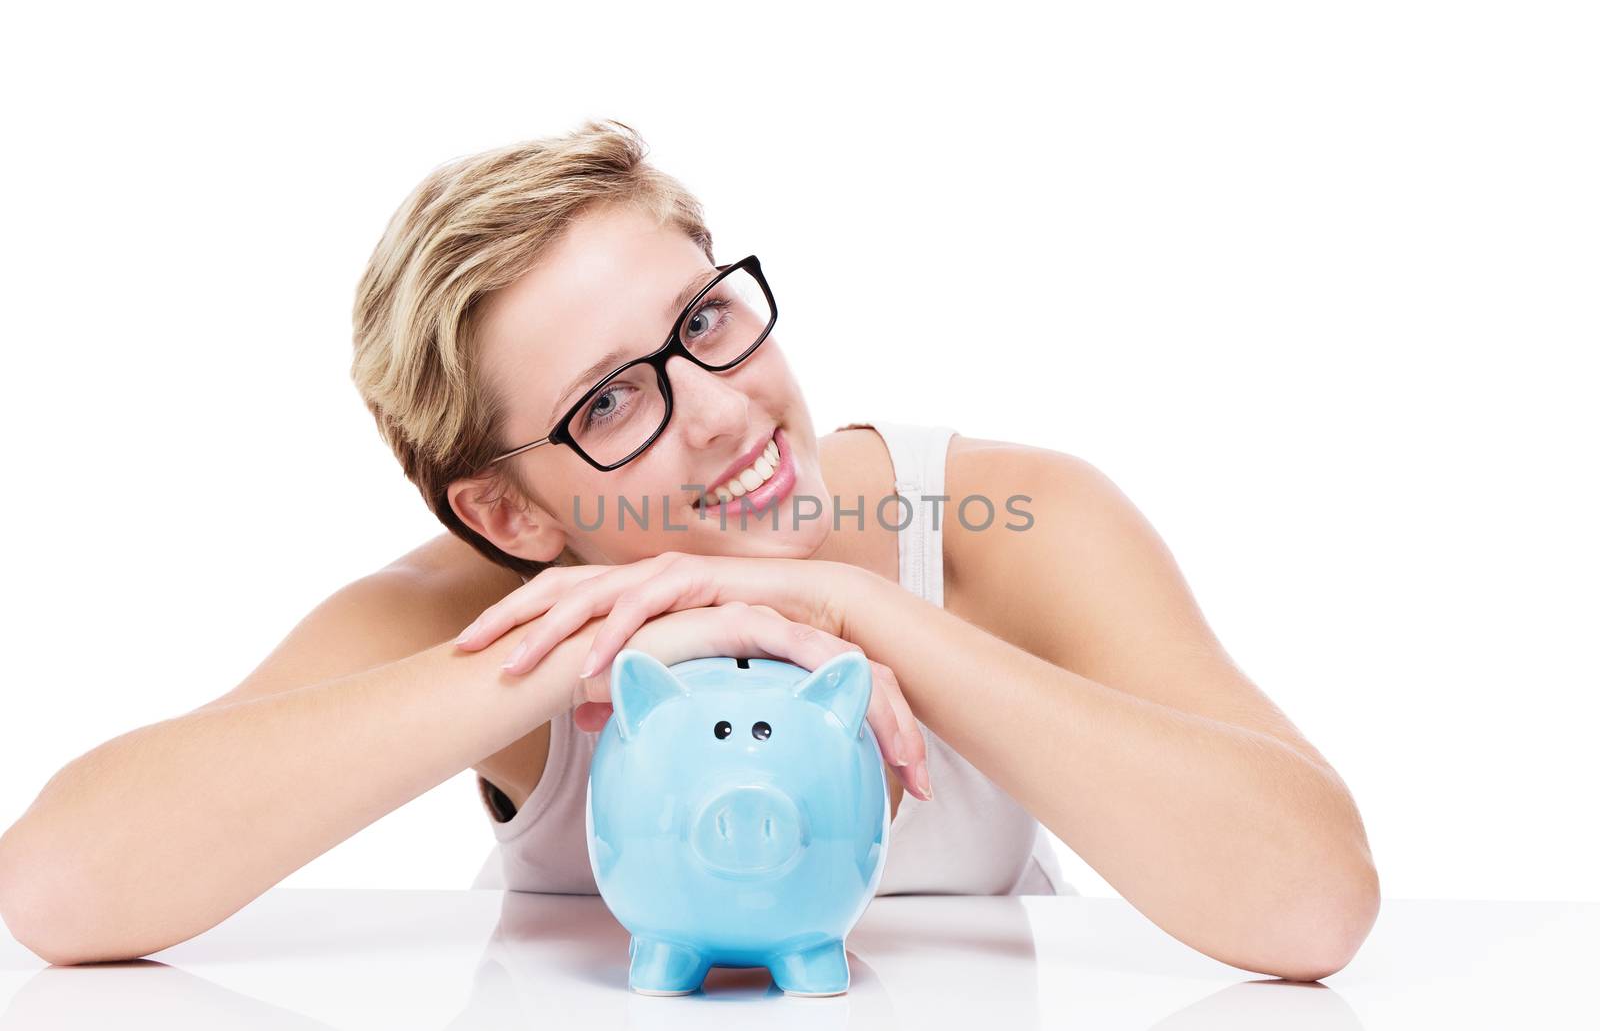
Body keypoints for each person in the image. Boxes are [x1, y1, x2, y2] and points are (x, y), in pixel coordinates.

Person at [0, 119, 1378, 980]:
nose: (721, 412)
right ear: (511, 514)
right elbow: (60, 886)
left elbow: (1314, 905)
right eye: (610, 401)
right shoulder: (477, 606)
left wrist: (855, 606)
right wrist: (580, 642)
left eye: (706, 321)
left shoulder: (1002, 524)